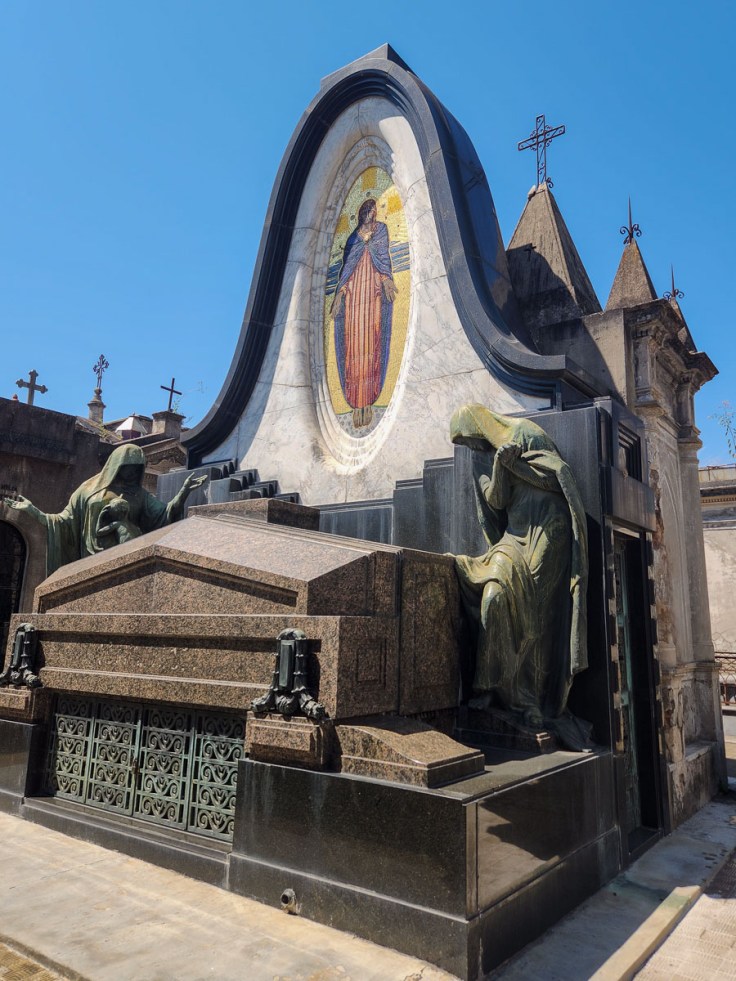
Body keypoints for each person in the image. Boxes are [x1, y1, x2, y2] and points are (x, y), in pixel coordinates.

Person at [450, 404, 589, 744]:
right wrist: (500, 466)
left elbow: (557, 478)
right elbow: (496, 501)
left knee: (536, 617)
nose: (471, 447)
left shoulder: (526, 433)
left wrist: (517, 466)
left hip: (548, 530)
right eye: (464, 444)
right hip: (513, 537)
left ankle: (530, 700)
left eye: (469, 439)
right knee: (493, 597)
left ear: (480, 425)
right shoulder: (481, 458)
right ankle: (489, 686)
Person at [2, 444, 207, 575]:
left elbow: (164, 516)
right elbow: (64, 520)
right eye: (128, 466)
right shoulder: (89, 489)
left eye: (136, 468)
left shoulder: (140, 495)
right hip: (89, 559)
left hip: (124, 558)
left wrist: (183, 493)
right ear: (116, 465)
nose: (132, 472)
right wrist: (33, 511)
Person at [331, 197, 398, 429]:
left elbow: (384, 259)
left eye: (373, 209)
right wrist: (340, 293)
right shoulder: (353, 238)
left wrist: (386, 278)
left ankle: (369, 400)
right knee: (353, 346)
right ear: (361, 213)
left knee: (373, 340)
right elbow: (346, 269)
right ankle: (355, 402)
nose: (371, 213)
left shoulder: (381, 231)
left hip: (373, 295)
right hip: (354, 300)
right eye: (367, 210)